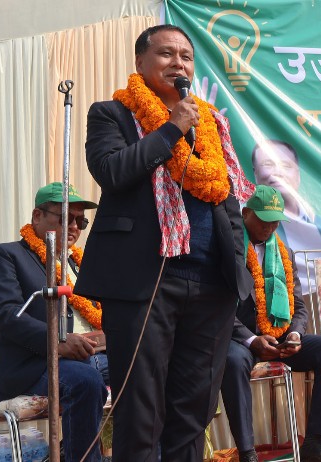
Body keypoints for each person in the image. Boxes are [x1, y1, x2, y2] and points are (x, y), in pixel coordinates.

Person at [74, 25, 253, 461]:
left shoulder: (210, 123)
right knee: (141, 410)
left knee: (194, 410)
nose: (179, 63)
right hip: (144, 283)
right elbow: (113, 172)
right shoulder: (112, 114)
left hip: (211, 284)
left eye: (186, 56)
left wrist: (236, 264)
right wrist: (172, 129)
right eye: (167, 54)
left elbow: (227, 196)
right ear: (140, 62)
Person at [0, 182, 108, 462]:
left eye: (80, 221)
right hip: (36, 366)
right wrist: (58, 342)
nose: (74, 227)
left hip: (97, 357)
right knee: (86, 380)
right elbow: (6, 315)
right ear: (37, 216)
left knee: (152, 370)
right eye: (65, 217)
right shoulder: (5, 255)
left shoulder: (82, 265)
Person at [221, 185, 321, 462]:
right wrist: (251, 339)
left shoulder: (284, 253)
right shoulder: (227, 247)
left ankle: (314, 442)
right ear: (246, 213)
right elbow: (217, 306)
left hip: (280, 337)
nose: (269, 227)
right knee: (232, 361)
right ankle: (247, 453)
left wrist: (295, 335)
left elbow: (298, 306)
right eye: (264, 220)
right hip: (241, 339)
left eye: (275, 221)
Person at [252, 140, 321, 292]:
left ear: (298, 174)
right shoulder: (248, 221)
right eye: (268, 164)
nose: (278, 172)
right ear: (255, 173)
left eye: (286, 166)